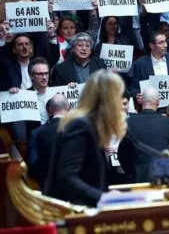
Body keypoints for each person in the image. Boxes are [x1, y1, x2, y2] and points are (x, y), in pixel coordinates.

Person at [43, 70, 126, 207]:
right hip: (69, 213)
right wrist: (102, 197)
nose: (121, 102)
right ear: (108, 100)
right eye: (118, 97)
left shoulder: (94, 124)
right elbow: (67, 177)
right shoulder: (80, 125)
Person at [117, 86, 169, 183]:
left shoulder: (128, 122)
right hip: (164, 176)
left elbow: (122, 154)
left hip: (139, 177)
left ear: (141, 101)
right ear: (158, 102)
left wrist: (132, 172)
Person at [28, 94, 70, 187]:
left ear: (51, 110)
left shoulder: (38, 133)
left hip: (50, 189)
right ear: (68, 108)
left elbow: (35, 165)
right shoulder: (78, 129)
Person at [128, 30, 169, 98]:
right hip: (152, 105)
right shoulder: (140, 64)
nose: (166, 45)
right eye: (161, 42)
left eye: (165, 41)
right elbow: (133, 89)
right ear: (152, 46)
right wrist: (138, 95)